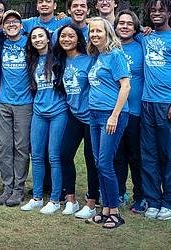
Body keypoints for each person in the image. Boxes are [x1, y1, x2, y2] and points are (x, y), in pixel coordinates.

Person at [139, 0, 171, 221]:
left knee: (170, 154)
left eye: (161, 10)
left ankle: (169, 202)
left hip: (169, 104)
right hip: (146, 103)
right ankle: (152, 200)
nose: (157, 13)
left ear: (170, 13)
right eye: (153, 10)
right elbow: (117, 23)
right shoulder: (144, 37)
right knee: (149, 154)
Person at [86, 17, 130, 229]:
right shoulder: (98, 56)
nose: (95, 35)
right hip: (94, 115)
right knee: (98, 164)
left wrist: (114, 115)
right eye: (92, 31)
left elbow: (126, 86)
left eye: (99, 31)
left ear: (108, 33)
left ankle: (114, 212)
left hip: (111, 116)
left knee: (105, 163)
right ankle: (105, 210)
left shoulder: (115, 55)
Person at [52, 25, 100, 218]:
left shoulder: (89, 60)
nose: (66, 39)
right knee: (64, 154)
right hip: (74, 114)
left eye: (71, 36)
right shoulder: (61, 60)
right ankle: (70, 200)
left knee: (91, 160)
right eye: (63, 36)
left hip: (92, 117)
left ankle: (91, 203)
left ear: (78, 38)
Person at [20, 26, 67, 215]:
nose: (38, 39)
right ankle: (37, 198)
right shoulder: (31, 60)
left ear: (49, 38)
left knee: (54, 156)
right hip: (39, 111)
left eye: (41, 36)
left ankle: (55, 199)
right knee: (37, 155)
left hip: (58, 112)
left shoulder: (58, 57)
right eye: (34, 37)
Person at [0, 10, 33, 207]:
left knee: (21, 147)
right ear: (4, 26)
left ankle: (19, 189)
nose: (12, 24)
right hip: (3, 102)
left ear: (22, 25)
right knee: (4, 146)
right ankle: (7, 186)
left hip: (25, 103)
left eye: (15, 21)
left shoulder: (30, 43)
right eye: (8, 22)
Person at [113, 10, 146, 213]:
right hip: (115, 111)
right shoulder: (110, 47)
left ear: (135, 28)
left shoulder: (141, 44)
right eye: (121, 23)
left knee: (136, 156)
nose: (124, 26)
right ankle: (118, 192)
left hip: (135, 111)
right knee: (117, 155)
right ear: (115, 26)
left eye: (129, 24)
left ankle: (140, 196)